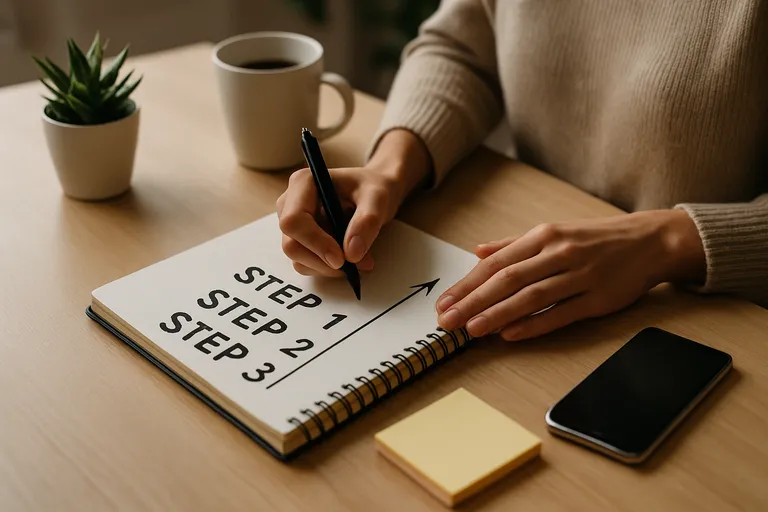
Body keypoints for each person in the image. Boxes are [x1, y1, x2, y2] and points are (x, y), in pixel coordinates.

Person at [276, 0, 768, 341]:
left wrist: (669, 243)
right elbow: (463, 49)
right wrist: (388, 167)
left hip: (708, 313)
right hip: (530, 264)